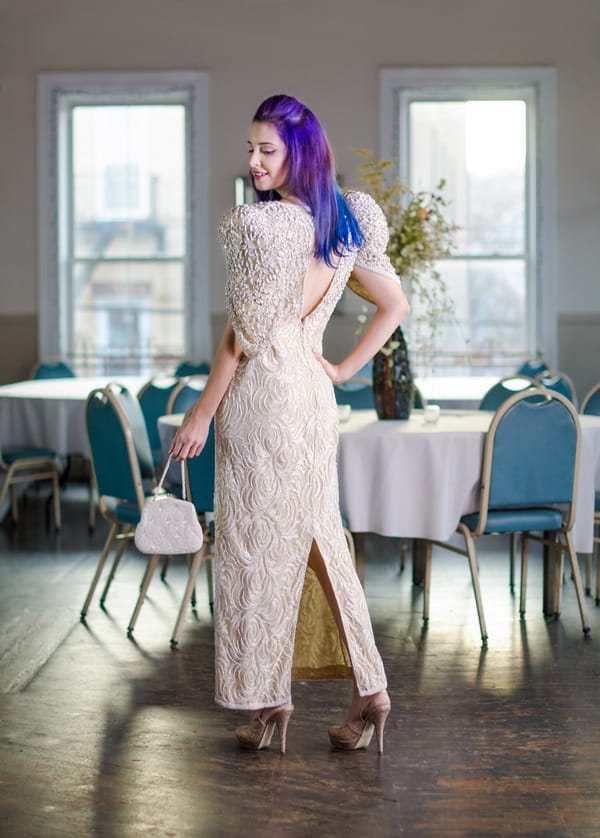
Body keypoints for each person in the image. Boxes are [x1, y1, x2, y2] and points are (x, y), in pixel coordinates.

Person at [170, 94, 409, 755]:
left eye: (265, 150)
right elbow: (395, 304)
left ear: (297, 152)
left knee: (258, 548)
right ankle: (370, 691)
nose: (251, 162)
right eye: (249, 148)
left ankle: (269, 699)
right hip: (309, 395)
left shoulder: (265, 227)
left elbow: (240, 338)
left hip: (262, 399)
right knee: (316, 540)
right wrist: (342, 370)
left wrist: (201, 412)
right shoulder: (342, 218)